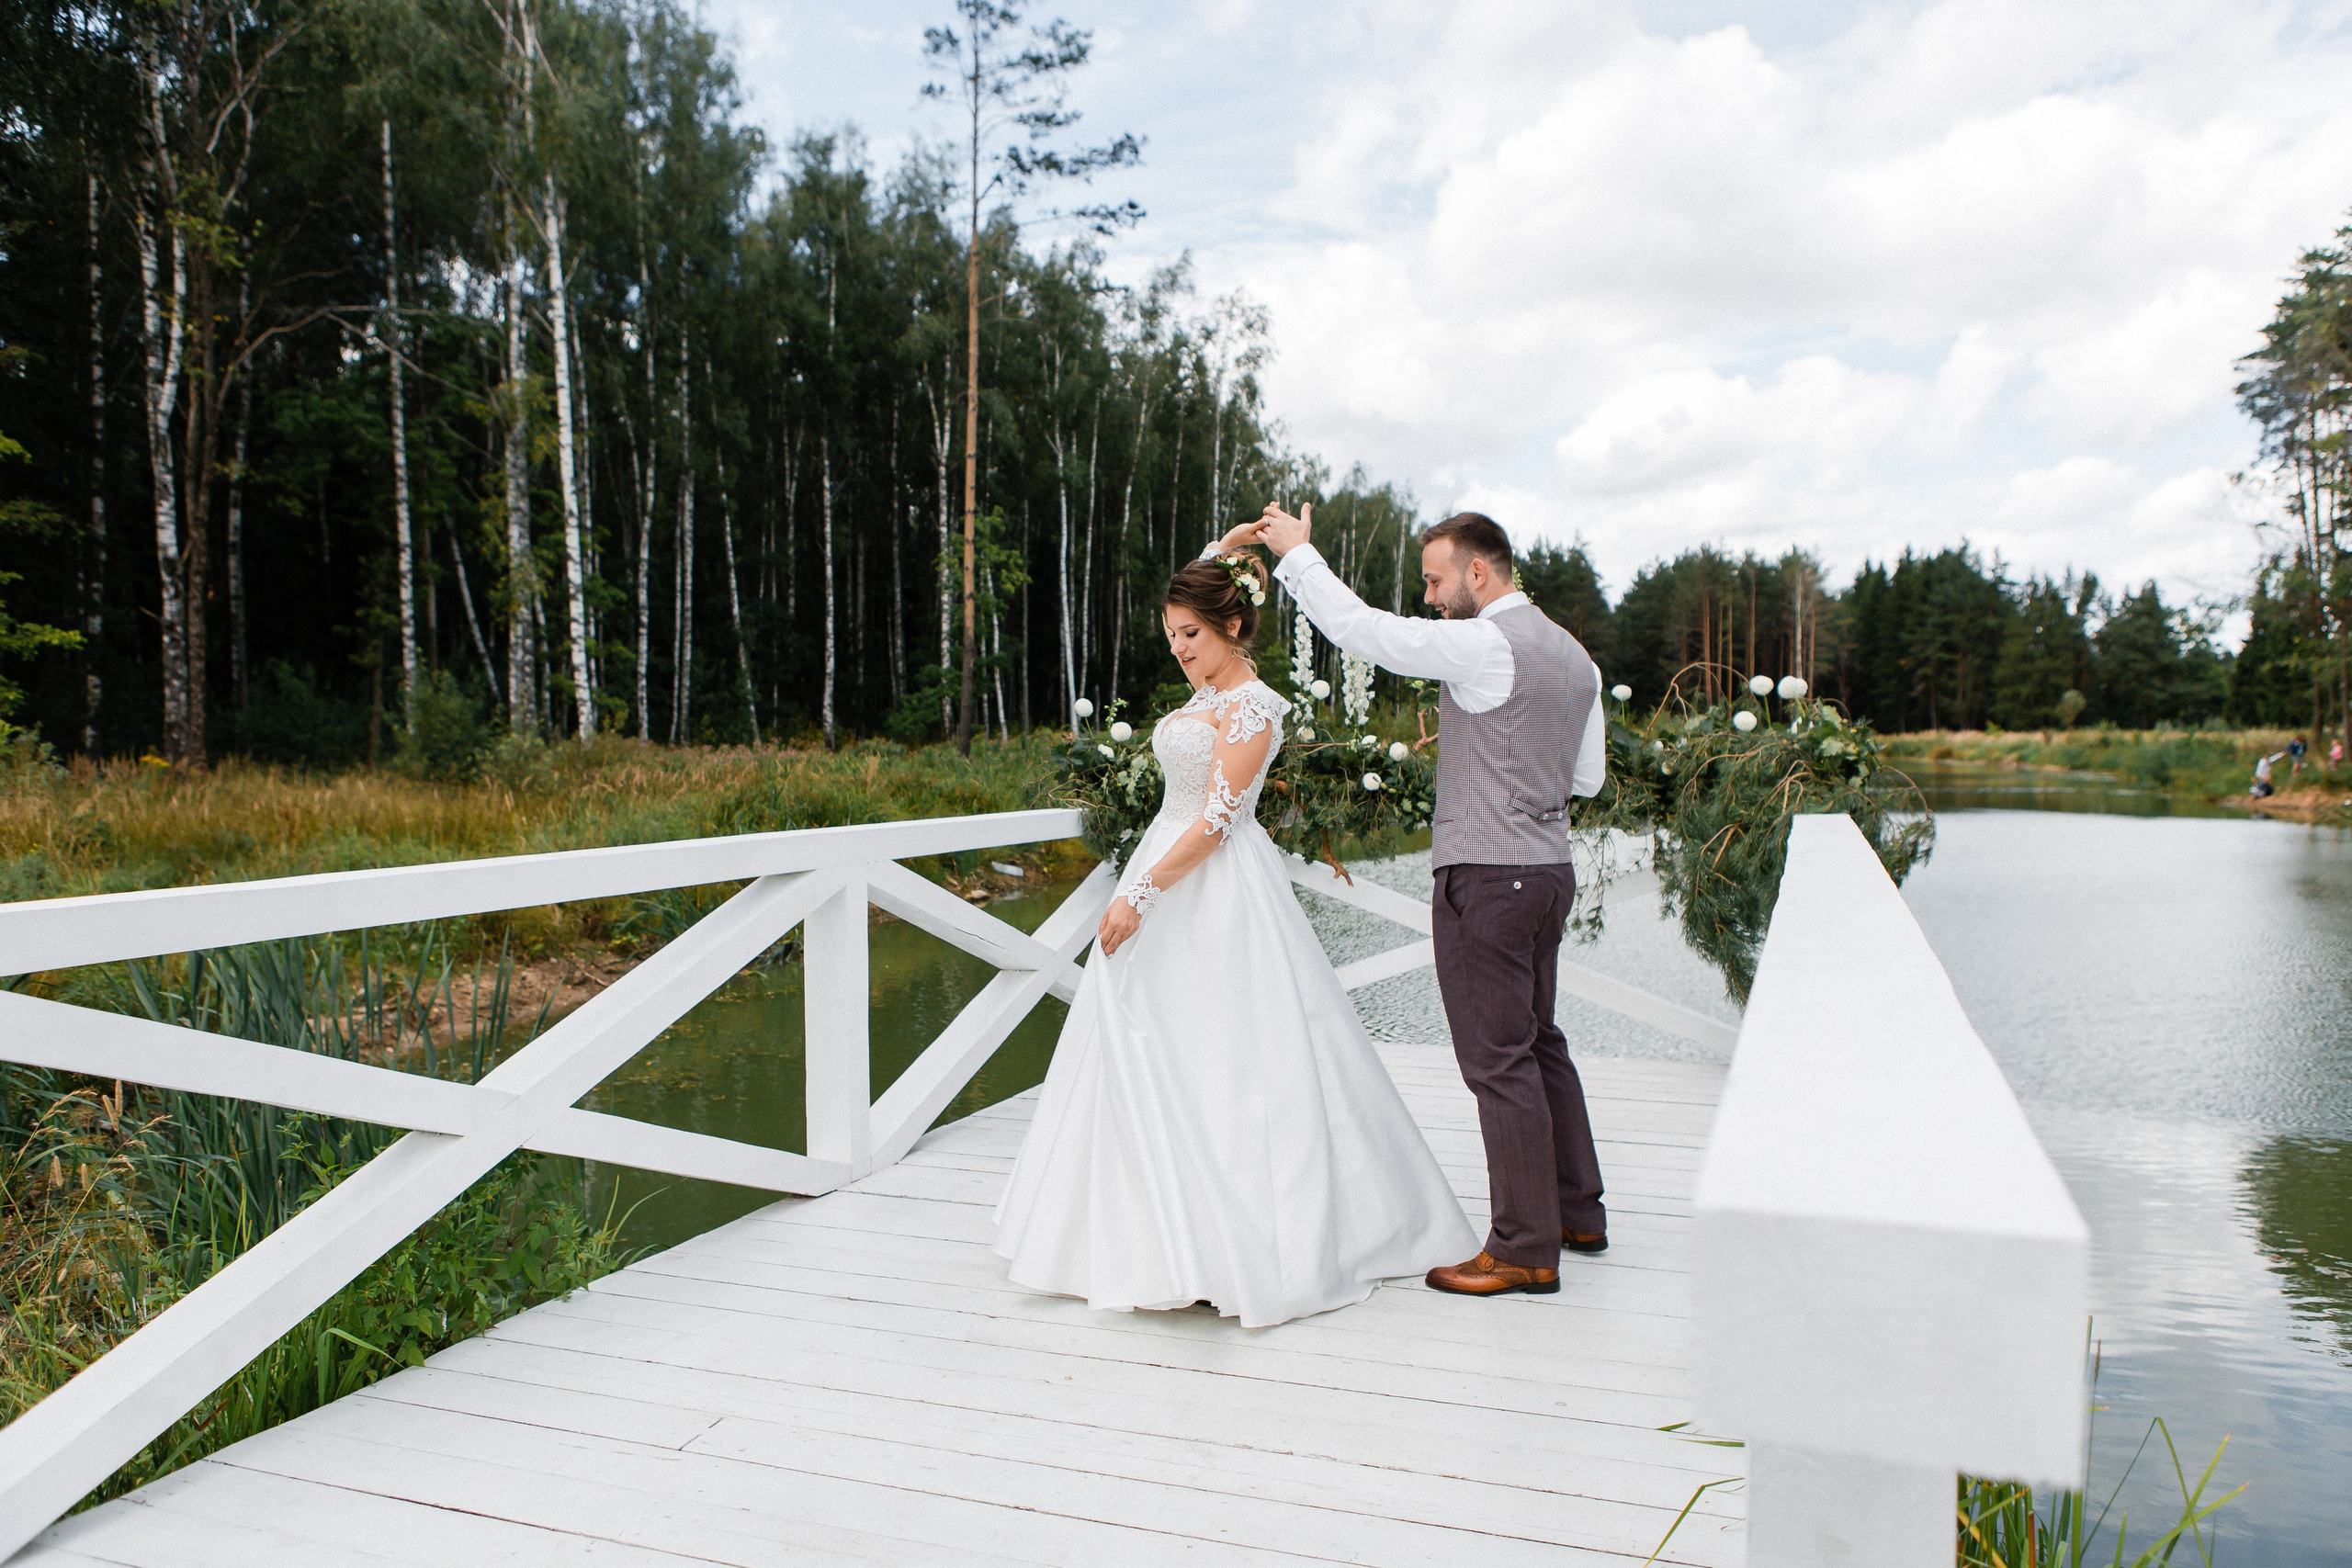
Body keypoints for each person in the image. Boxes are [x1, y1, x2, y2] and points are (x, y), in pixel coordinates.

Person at [992, 552, 1476, 1327]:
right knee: (1146, 1047)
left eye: (1191, 633)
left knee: (1233, 1058)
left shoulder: (1253, 706)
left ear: (1234, 626)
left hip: (1209, 887)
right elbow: (1206, 590)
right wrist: (1231, 547)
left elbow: (1216, 822)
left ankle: (1234, 1245)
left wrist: (1138, 896)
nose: (1179, 647)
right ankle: (1146, 1239)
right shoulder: (1207, 689)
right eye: (1172, 634)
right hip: (1163, 872)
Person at [1251, 503, 1609, 1301]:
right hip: (1550, 872)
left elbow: (1366, 632)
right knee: (1539, 1039)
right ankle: (1577, 1211)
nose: (1431, 595)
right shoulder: (1577, 658)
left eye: (1437, 579)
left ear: (1479, 571)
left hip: (1487, 876)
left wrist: (1300, 557)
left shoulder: (1486, 644)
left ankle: (1523, 1247)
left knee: (1498, 1059)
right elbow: (1585, 782)